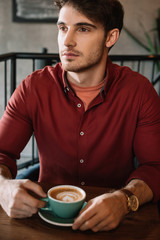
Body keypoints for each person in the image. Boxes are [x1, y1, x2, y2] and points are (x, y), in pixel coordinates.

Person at [0, 0, 160, 232]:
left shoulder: (139, 92)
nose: (67, 41)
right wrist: (3, 187)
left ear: (110, 37)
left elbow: (155, 166)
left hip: (114, 223)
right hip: (44, 220)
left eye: (83, 29)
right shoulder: (33, 88)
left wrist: (124, 200)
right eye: (63, 27)